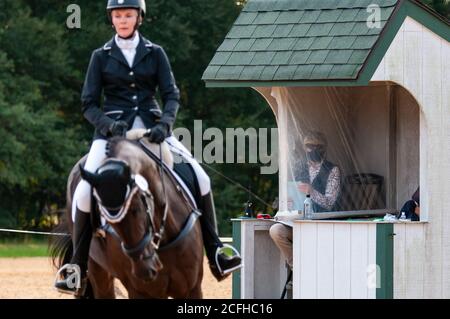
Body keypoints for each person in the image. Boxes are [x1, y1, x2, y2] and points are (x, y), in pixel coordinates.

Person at [55, 0, 241, 295]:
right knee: (82, 191)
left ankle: (217, 251)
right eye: (118, 15)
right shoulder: (100, 56)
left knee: (200, 177)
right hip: (111, 136)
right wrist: (107, 125)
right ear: (112, 19)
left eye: (128, 14)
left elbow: (171, 95)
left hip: (153, 130)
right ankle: (76, 266)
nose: (123, 20)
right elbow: (88, 104)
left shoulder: (155, 53)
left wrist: (165, 124)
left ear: (139, 17)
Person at [269, 131, 341, 268]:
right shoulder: (298, 167)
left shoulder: (333, 170)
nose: (313, 150)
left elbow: (330, 204)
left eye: (318, 147)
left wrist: (312, 192)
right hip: (296, 223)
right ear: (304, 148)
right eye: (309, 146)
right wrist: (285, 202)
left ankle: (303, 271)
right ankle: (297, 267)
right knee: (276, 230)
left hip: (320, 225)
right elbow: (288, 193)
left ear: (324, 149)